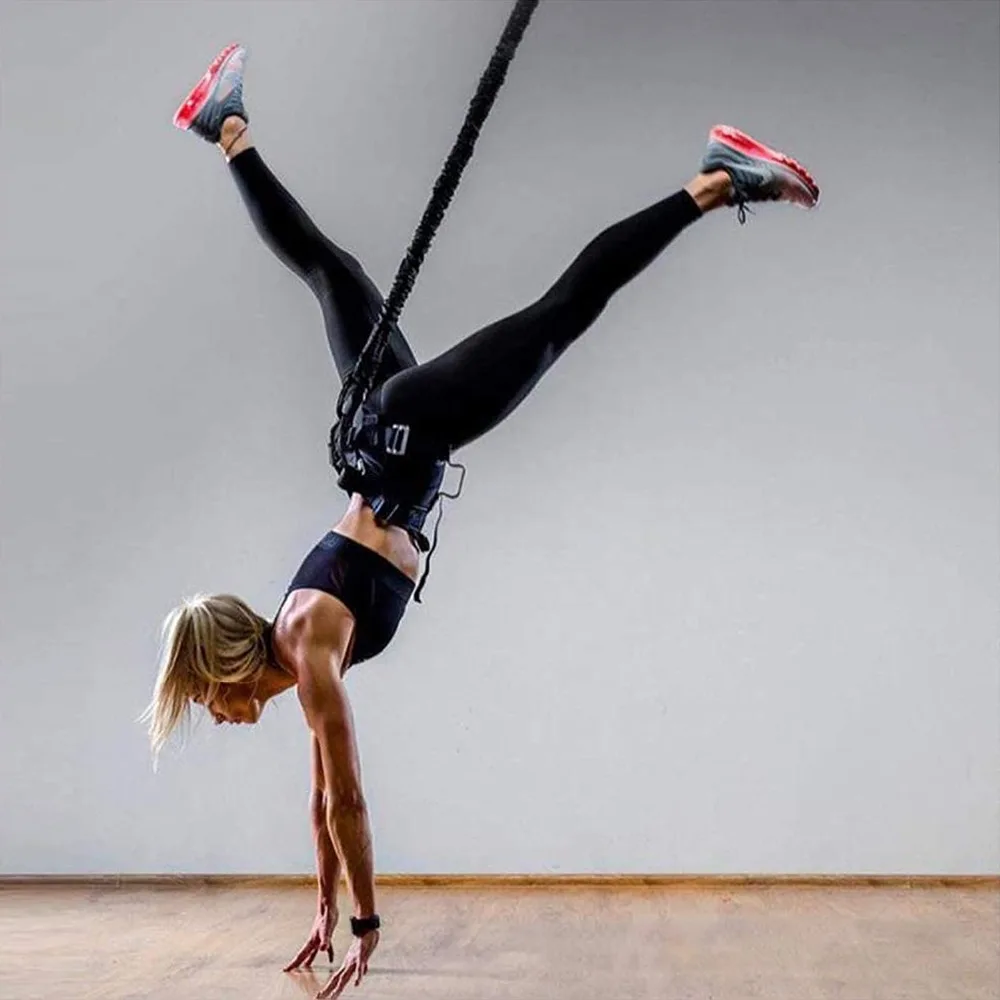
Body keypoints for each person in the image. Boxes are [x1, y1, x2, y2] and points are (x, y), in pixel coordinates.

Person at [143, 42, 819, 999]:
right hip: (384, 432)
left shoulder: (309, 637)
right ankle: (229, 128)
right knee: (332, 272)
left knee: (561, 313)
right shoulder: (300, 650)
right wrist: (324, 906)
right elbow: (322, 798)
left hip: (407, 433)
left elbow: (349, 799)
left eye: (207, 700)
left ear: (224, 672)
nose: (217, 716)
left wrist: (367, 922)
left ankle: (715, 180)